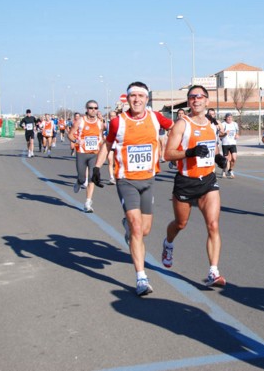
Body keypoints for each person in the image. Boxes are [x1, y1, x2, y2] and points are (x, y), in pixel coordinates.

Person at [91, 81, 173, 296]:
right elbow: (108, 144)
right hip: (126, 180)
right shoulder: (118, 122)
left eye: (141, 96)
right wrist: (97, 168)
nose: (137, 99)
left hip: (149, 180)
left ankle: (128, 226)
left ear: (147, 99)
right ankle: (141, 278)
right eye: (133, 96)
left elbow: (178, 128)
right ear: (127, 99)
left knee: (144, 230)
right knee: (137, 229)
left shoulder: (156, 118)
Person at [163, 85, 228, 287]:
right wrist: (189, 152)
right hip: (186, 182)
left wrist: (218, 157)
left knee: (213, 225)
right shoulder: (182, 124)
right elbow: (168, 154)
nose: (196, 100)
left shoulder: (211, 124)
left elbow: (212, 145)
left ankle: (213, 272)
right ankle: (168, 243)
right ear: (189, 101)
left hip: (208, 181)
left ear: (207, 101)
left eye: (200, 97)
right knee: (180, 224)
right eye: (192, 97)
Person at [68, 100, 104, 213]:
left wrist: (103, 145)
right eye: (91, 108)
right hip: (82, 153)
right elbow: (69, 134)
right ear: (86, 109)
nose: (93, 110)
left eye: (95, 108)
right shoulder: (80, 121)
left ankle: (88, 202)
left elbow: (101, 137)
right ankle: (79, 182)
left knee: (92, 177)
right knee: (82, 178)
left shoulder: (100, 123)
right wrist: (76, 141)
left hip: (94, 154)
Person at [220, 113, 239, 178]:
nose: (229, 119)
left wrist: (237, 135)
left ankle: (230, 170)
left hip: (233, 143)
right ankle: (223, 171)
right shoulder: (223, 124)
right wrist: (225, 133)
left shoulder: (235, 124)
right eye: (228, 117)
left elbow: (237, 131)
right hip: (225, 144)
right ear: (225, 118)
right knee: (226, 159)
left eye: (230, 117)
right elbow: (220, 135)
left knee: (234, 158)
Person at [106, 110, 118, 185]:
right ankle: (111, 177)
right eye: (110, 116)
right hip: (110, 145)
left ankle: (116, 175)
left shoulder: (119, 123)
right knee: (110, 161)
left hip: (117, 145)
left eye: (113, 115)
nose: (112, 117)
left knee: (116, 163)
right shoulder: (106, 124)